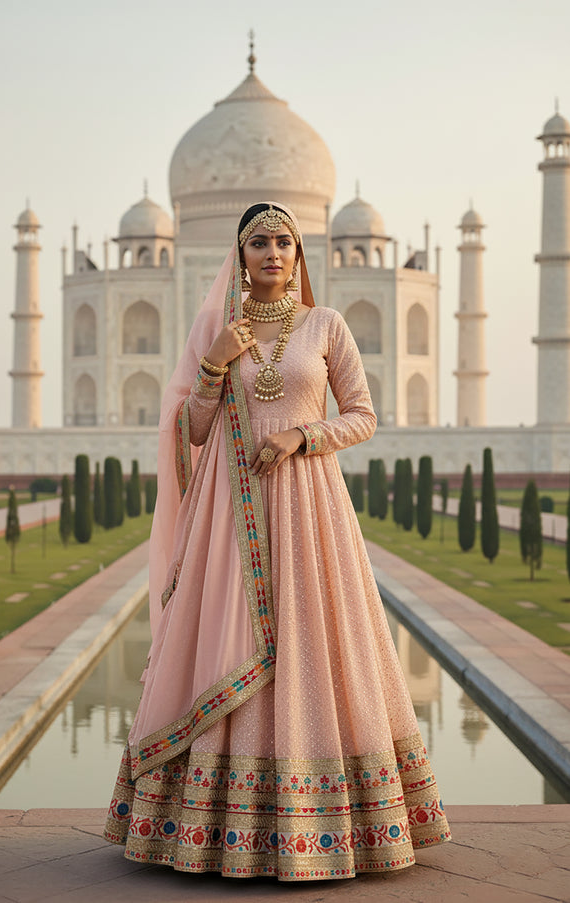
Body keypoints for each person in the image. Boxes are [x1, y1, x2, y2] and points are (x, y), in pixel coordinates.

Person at [104, 202, 451, 881]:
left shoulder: (326, 324)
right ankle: (213, 823)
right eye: (257, 241)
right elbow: (194, 431)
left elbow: (362, 416)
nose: (271, 252)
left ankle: (321, 821)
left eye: (283, 241)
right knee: (222, 637)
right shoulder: (218, 330)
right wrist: (212, 366)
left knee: (315, 640)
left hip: (308, 505)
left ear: (299, 253)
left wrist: (301, 436)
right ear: (238, 255)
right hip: (230, 510)